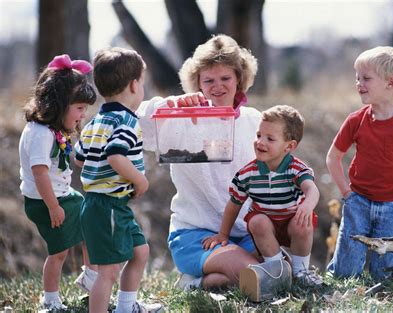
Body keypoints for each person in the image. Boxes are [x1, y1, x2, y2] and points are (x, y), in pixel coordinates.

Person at [137, 34, 261, 290]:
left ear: (239, 78)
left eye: (225, 78)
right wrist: (169, 105)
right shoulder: (180, 117)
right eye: (209, 80)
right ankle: (223, 271)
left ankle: (196, 284)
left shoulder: (255, 120)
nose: (218, 86)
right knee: (255, 273)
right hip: (195, 235)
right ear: (197, 83)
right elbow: (133, 124)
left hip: (246, 233)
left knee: (278, 267)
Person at [326, 46, 393, 281]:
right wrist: (347, 193)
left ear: (390, 83)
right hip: (358, 204)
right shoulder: (356, 120)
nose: (359, 83)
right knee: (344, 275)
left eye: (366, 78)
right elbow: (333, 157)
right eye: (357, 78)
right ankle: (339, 268)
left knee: (385, 277)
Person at [74, 47, 161, 313]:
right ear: (135, 85)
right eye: (143, 82)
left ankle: (126, 306)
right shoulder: (126, 121)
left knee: (140, 251)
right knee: (108, 271)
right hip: (107, 206)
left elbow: (79, 158)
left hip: (107, 205)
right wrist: (140, 180)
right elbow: (115, 155)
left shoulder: (96, 121)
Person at [202, 105, 323, 286]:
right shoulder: (247, 174)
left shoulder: (295, 169)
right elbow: (234, 204)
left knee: (303, 222)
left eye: (270, 139)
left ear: (289, 146)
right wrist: (222, 234)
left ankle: (301, 272)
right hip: (265, 230)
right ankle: (277, 270)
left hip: (291, 223)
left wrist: (307, 205)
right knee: (257, 221)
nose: (260, 142)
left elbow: (312, 189)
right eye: (259, 135)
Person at [19, 54, 98, 311]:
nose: (82, 114)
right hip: (44, 201)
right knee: (59, 252)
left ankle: (90, 277)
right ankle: (50, 299)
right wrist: (54, 207)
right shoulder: (39, 134)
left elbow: (66, 158)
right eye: (79, 108)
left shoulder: (55, 129)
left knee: (89, 220)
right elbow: (41, 174)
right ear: (59, 103)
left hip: (61, 194)